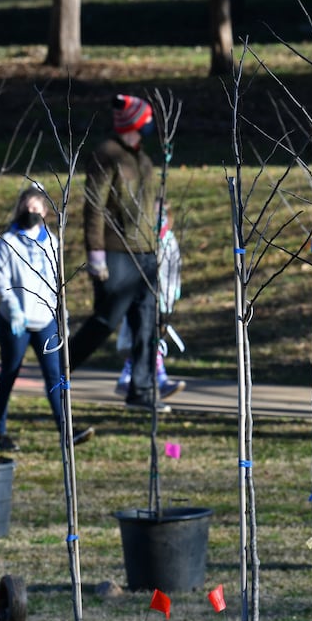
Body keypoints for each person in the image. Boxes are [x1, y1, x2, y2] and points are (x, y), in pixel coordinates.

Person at [67, 94, 176, 413]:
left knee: (146, 323)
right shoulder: (107, 155)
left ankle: (141, 390)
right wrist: (96, 254)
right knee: (106, 319)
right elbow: (94, 207)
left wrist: (160, 212)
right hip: (117, 252)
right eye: (147, 119)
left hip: (146, 252)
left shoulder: (141, 158)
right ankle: (59, 370)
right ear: (136, 123)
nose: (150, 125)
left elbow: (147, 199)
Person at [0, 185, 96, 451]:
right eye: (27, 208)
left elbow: (57, 280)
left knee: (56, 375)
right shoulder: (8, 241)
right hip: (16, 321)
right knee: (9, 373)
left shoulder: (52, 241)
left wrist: (63, 314)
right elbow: (1, 279)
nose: (32, 213)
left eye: (36, 208)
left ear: (46, 212)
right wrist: (13, 307)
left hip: (45, 320)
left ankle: (66, 429)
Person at [113, 207, 186, 399]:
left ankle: (128, 378)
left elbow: (174, 269)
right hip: (141, 298)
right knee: (146, 338)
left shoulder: (169, 241)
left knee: (150, 339)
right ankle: (159, 380)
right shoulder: (138, 240)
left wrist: (172, 294)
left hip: (162, 300)